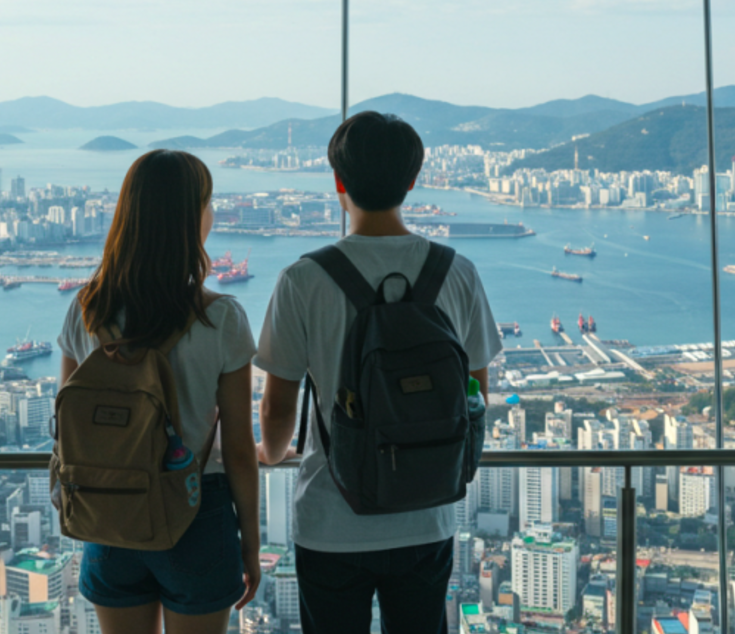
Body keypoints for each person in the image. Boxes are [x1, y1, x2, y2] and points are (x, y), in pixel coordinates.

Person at [255, 112, 502, 634]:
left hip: (331, 517)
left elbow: (278, 405)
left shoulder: (303, 279)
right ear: (413, 182)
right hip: (427, 510)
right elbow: (476, 389)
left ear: (338, 182)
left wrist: (271, 455)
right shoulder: (455, 271)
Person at [58, 150, 260, 634]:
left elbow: (68, 423)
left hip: (110, 513)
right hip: (197, 511)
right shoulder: (221, 318)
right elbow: (237, 447)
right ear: (192, 218)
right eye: (209, 202)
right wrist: (249, 543)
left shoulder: (86, 309)